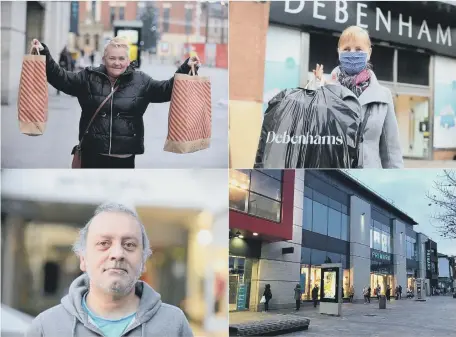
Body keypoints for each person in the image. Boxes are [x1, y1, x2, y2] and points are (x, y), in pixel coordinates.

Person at [25, 202, 193, 337]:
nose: (117, 254)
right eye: (104, 243)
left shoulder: (174, 325)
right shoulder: (46, 327)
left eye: (129, 245)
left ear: (143, 260)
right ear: (83, 259)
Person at [30, 37, 201, 169]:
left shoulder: (141, 81)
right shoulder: (88, 77)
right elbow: (60, 78)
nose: (117, 63)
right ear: (104, 59)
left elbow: (167, 89)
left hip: (124, 159)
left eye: (121, 59)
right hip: (92, 155)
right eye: (112, 58)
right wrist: (44, 53)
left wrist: (186, 68)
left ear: (128, 60)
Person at [311, 25, 403, 169]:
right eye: (347, 49)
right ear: (339, 52)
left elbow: (391, 152)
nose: (352, 54)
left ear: (369, 53)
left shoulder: (383, 96)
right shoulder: (324, 89)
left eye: (359, 49)